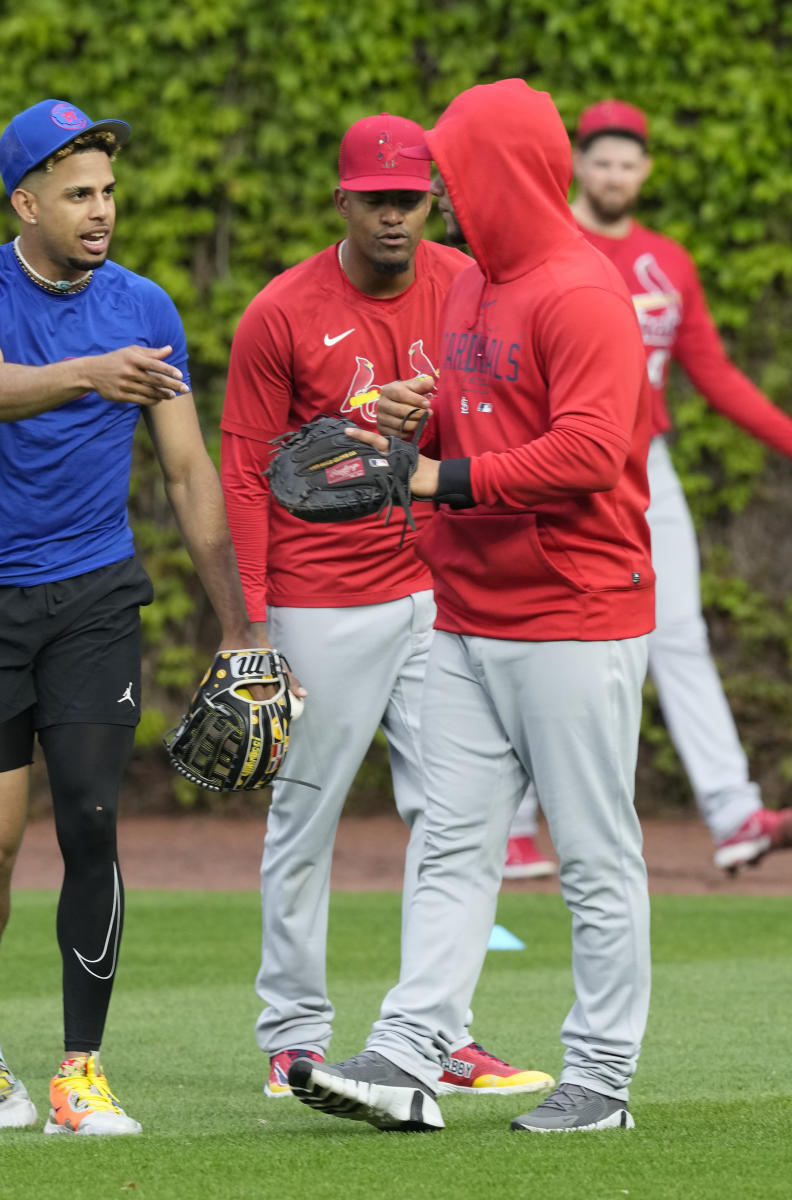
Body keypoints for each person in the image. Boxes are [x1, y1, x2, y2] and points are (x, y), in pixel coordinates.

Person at [287, 78, 655, 1134]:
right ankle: (409, 1056)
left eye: (454, 167)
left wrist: (433, 478)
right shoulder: (477, 285)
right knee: (451, 840)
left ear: (504, 171)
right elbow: (490, 407)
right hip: (469, 606)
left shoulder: (578, 291)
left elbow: (589, 451)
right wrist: (428, 414)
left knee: (592, 856)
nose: (440, 187)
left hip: (576, 610)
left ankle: (600, 1081)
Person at [0, 98, 261, 1134]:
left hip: (96, 595)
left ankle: (80, 1070)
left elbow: (190, 470)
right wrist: (87, 374)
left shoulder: (145, 306)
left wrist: (238, 622)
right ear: (25, 202)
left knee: (94, 821)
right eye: (78, 194)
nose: (102, 210)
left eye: (108, 191)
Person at [220, 112, 554, 1102]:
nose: (395, 218)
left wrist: (432, 420)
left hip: (439, 585)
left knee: (463, 813)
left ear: (433, 201)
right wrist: (249, 624)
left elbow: (500, 419)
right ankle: (291, 1038)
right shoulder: (281, 311)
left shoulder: (465, 283)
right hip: (322, 598)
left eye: (410, 199)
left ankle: (432, 1035)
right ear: (345, 201)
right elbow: (246, 468)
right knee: (305, 816)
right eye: (377, 200)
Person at [512, 99, 792, 874]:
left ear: (645, 171)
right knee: (540, 628)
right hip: (557, 462)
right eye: (599, 161)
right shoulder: (546, 245)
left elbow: (715, 373)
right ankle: (509, 820)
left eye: (627, 163)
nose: (614, 175)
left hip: (647, 464)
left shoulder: (668, 260)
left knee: (679, 635)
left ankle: (736, 815)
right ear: (578, 166)